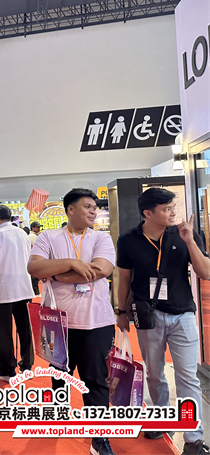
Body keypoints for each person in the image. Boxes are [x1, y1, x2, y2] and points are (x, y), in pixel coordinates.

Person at [116, 188, 210, 454]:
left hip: (183, 314)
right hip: (149, 316)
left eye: (173, 207)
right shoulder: (128, 240)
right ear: (148, 213)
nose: (173, 213)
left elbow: (205, 272)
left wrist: (190, 241)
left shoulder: (185, 234)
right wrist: (121, 312)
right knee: (155, 373)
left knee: (188, 377)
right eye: (166, 209)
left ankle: (193, 438)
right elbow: (124, 279)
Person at [28, 188, 116, 455]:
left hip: (96, 323)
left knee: (96, 380)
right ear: (70, 209)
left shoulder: (101, 238)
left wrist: (56, 275)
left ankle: (99, 437)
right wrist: (73, 263)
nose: (93, 212)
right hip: (58, 323)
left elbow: (102, 269)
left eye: (94, 208)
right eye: (88, 207)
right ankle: (58, 416)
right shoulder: (48, 237)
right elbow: (35, 268)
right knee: (59, 377)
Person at [0, 205, 35, 380]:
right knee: (25, 328)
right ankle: (27, 365)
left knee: (4, 329)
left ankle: (7, 368)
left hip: (4, 288)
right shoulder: (22, 233)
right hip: (24, 286)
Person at [29, 221, 42, 296]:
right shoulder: (32, 236)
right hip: (34, 258)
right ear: (33, 227)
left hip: (32, 257)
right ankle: (36, 292)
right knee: (34, 277)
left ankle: (35, 291)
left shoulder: (32, 235)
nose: (39, 228)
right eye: (37, 227)